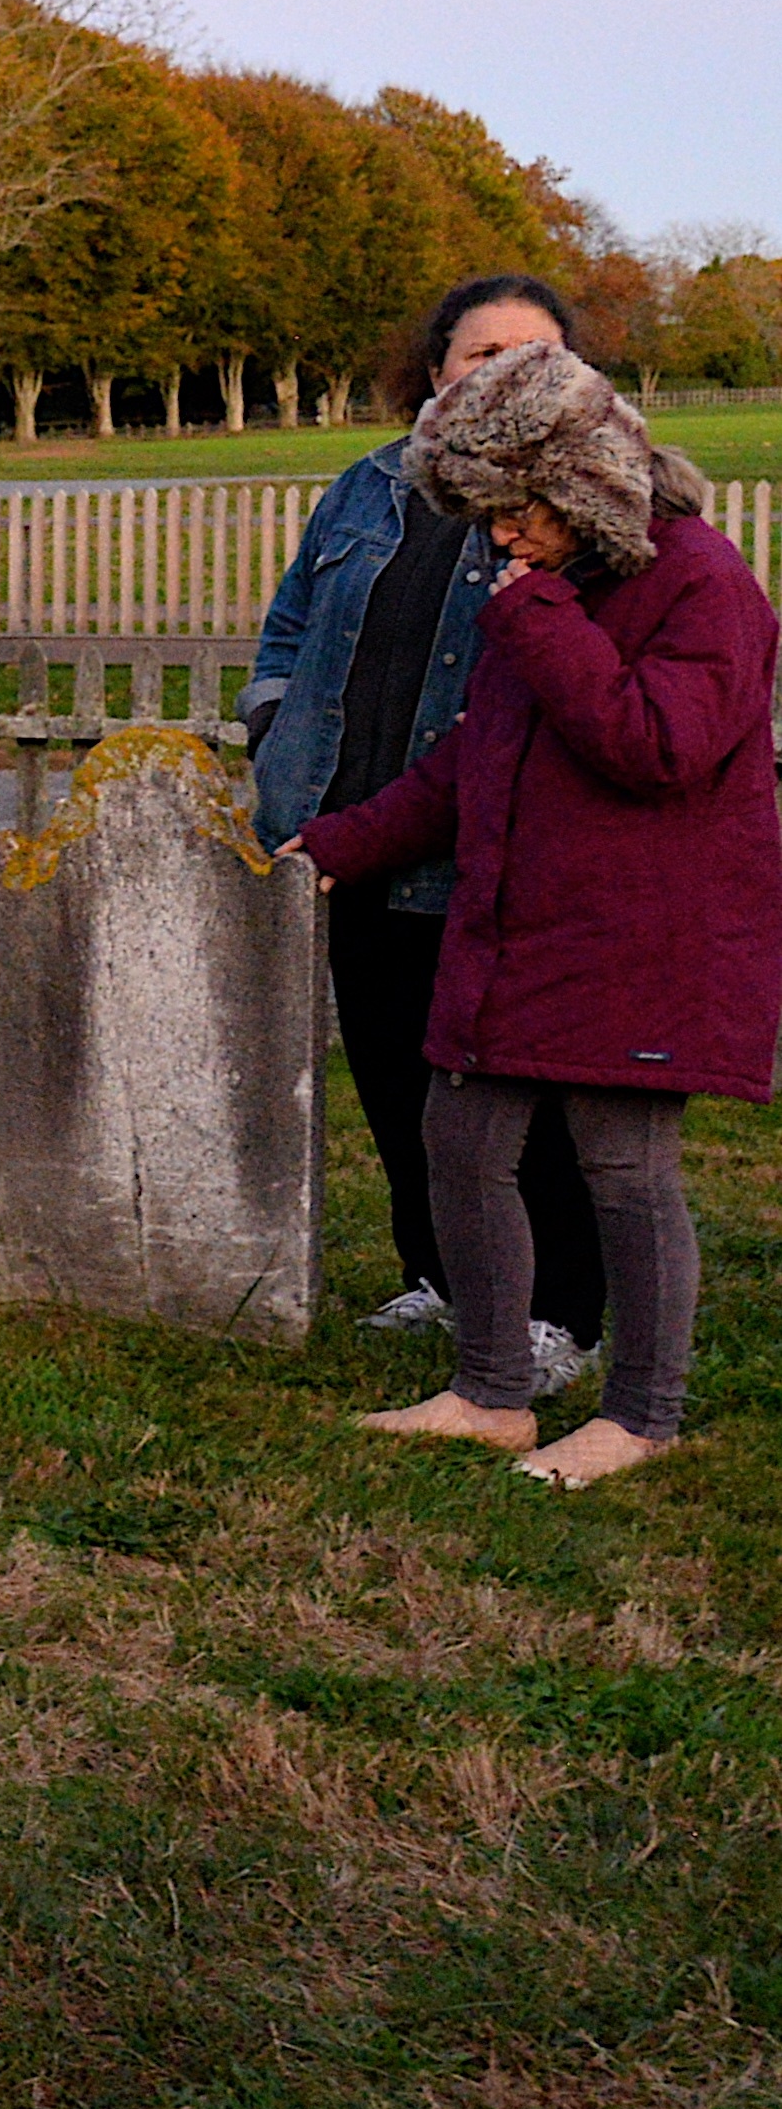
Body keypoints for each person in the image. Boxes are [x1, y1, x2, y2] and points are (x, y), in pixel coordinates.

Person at [290, 343, 782, 1487]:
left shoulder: (700, 582)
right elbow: (474, 755)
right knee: (457, 1145)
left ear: (584, 487)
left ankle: (642, 1414)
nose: (499, 539)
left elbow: (656, 745)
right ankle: (490, 1390)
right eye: (483, 515)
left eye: (516, 511)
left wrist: (539, 621)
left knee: (622, 1169)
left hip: (639, 935)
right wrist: (341, 843)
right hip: (517, 923)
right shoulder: (539, 592)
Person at [242, 276, 604, 1388]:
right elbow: (291, 622)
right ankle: (439, 1274)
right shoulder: (362, 489)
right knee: (393, 1074)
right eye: (472, 350)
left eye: (523, 351)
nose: (493, 369)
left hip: (488, 841)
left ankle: (556, 1309)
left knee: (509, 1087)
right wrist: (273, 726)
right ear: (433, 366)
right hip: (352, 831)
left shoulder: (578, 499)